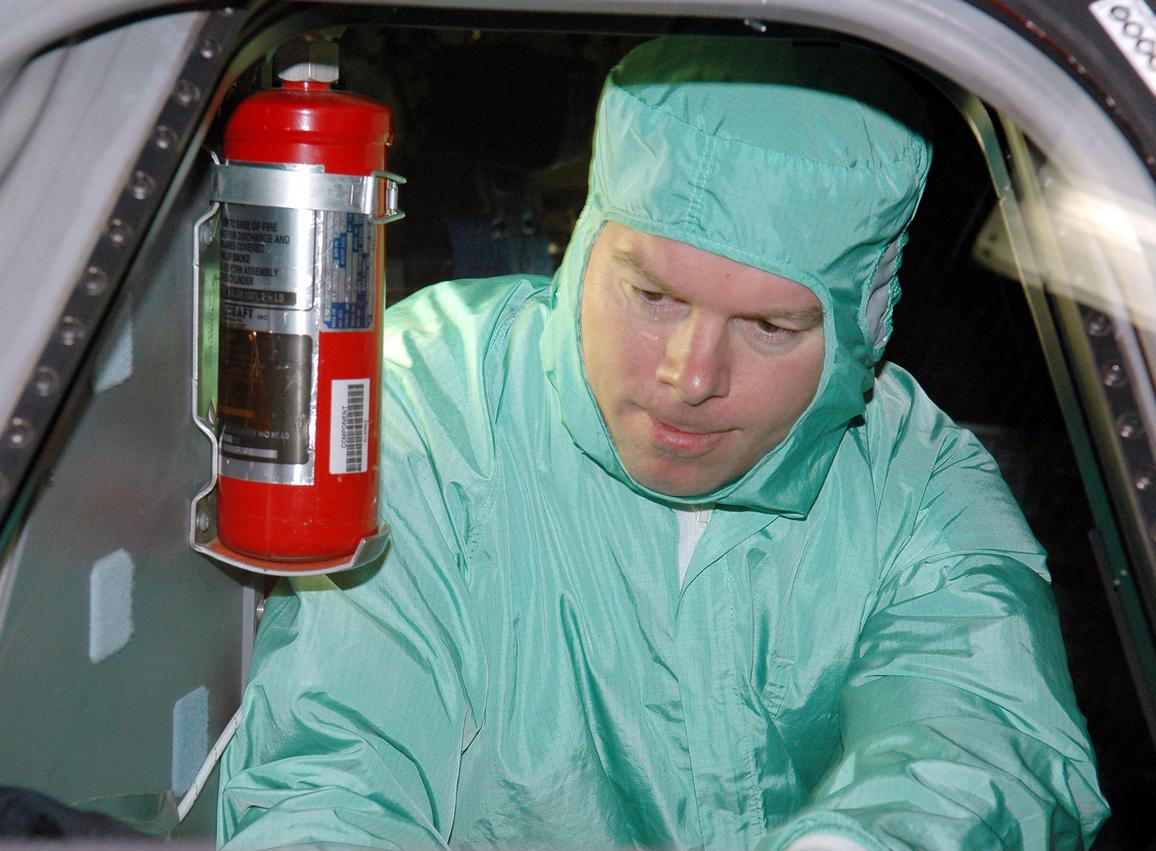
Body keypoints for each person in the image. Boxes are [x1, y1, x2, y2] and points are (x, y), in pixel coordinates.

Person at [218, 36, 1109, 850]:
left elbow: (986, 748)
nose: (692, 375)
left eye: (768, 326)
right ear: (585, 246)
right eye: (654, 297)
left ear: (862, 331)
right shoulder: (432, 410)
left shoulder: (915, 485)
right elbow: (330, 780)